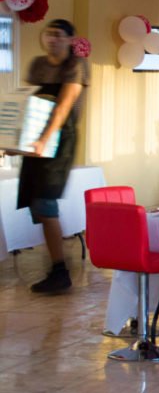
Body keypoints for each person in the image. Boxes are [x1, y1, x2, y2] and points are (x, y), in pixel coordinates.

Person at [20, 19, 90, 294]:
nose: (53, 39)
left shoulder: (76, 65)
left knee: (45, 202)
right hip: (35, 137)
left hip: (59, 140)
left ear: (70, 40)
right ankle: (57, 266)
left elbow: (63, 107)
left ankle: (60, 271)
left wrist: (44, 140)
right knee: (36, 204)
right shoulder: (38, 64)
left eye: (59, 35)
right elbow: (25, 102)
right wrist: (15, 139)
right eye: (49, 34)